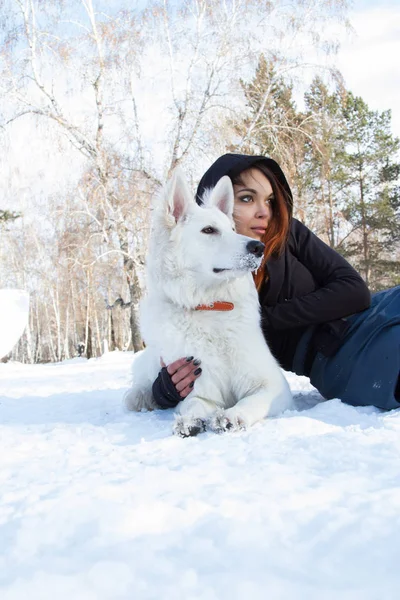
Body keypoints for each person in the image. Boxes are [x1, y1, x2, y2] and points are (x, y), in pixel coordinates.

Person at [152, 153, 400, 411]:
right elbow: (173, 343)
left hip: (378, 311)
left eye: (269, 201)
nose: (264, 212)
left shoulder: (288, 233)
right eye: (247, 198)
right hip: (338, 358)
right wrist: (164, 390)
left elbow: (355, 291)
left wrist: (266, 317)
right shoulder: (201, 282)